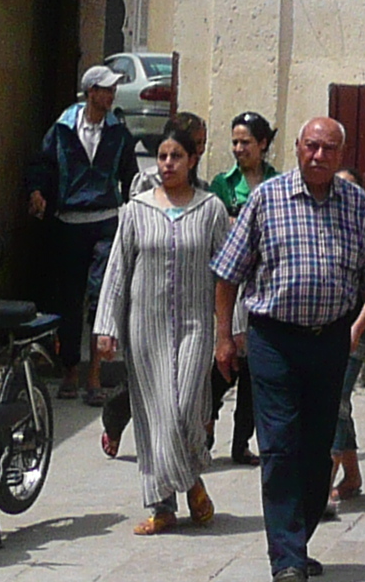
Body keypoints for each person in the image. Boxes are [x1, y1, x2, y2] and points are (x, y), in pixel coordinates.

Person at [213, 115, 365, 582]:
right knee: (279, 446)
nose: (318, 156)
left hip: (329, 340)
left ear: (341, 155)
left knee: (317, 448)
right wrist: (223, 336)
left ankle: (299, 537)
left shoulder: (354, 203)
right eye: (311, 147)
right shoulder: (266, 199)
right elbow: (228, 272)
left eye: (328, 149)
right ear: (295, 148)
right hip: (274, 338)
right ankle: (287, 557)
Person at [97, 113, 231, 534]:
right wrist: (107, 326)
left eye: (177, 156)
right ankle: (164, 506)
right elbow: (118, 271)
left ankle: (190, 480)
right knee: (153, 413)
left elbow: (227, 274)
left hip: (194, 325)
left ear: (192, 160)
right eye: (162, 156)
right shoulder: (136, 211)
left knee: (182, 407)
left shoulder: (211, 210)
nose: (168, 163)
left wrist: (232, 329)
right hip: (145, 328)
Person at [29, 61, 139, 398]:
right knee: (69, 299)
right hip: (69, 222)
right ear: (91, 92)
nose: (111, 94)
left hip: (105, 221)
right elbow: (43, 165)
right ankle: (70, 370)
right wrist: (37, 192)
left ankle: (95, 373)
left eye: (113, 89)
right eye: (105, 89)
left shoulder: (118, 132)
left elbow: (130, 175)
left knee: (100, 298)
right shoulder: (63, 129)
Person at [209, 111, 276, 465]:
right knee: (226, 363)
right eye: (234, 142)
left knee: (254, 371)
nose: (238, 149)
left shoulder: (278, 183)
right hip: (232, 287)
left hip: (264, 287)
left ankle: (242, 442)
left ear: (262, 144)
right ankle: (206, 426)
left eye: (245, 142)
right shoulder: (222, 184)